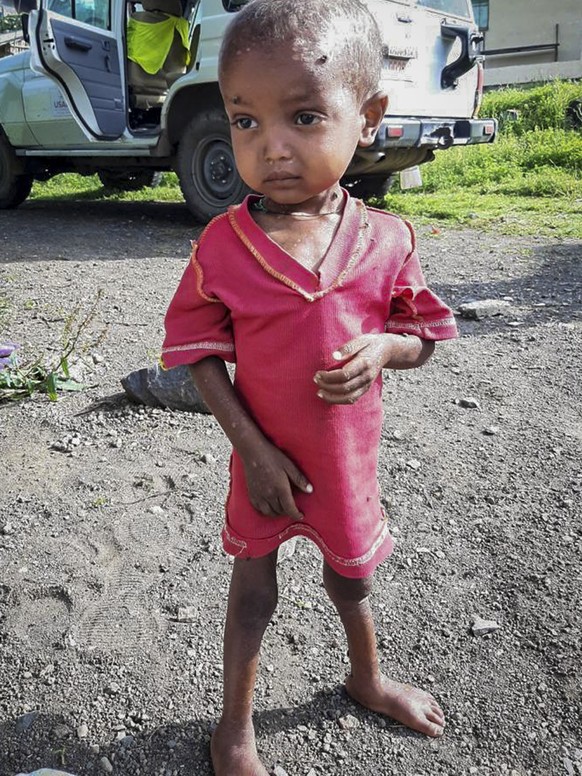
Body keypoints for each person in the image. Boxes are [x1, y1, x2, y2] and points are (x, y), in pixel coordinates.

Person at [161, 1, 458, 772]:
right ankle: (235, 725)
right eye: (246, 122)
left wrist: (386, 349)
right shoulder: (223, 247)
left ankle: (366, 676)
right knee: (253, 591)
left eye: (302, 116)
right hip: (259, 462)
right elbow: (197, 354)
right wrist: (253, 451)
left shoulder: (388, 241)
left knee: (351, 579)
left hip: (344, 462)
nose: (273, 148)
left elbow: (423, 336)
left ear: (368, 118)